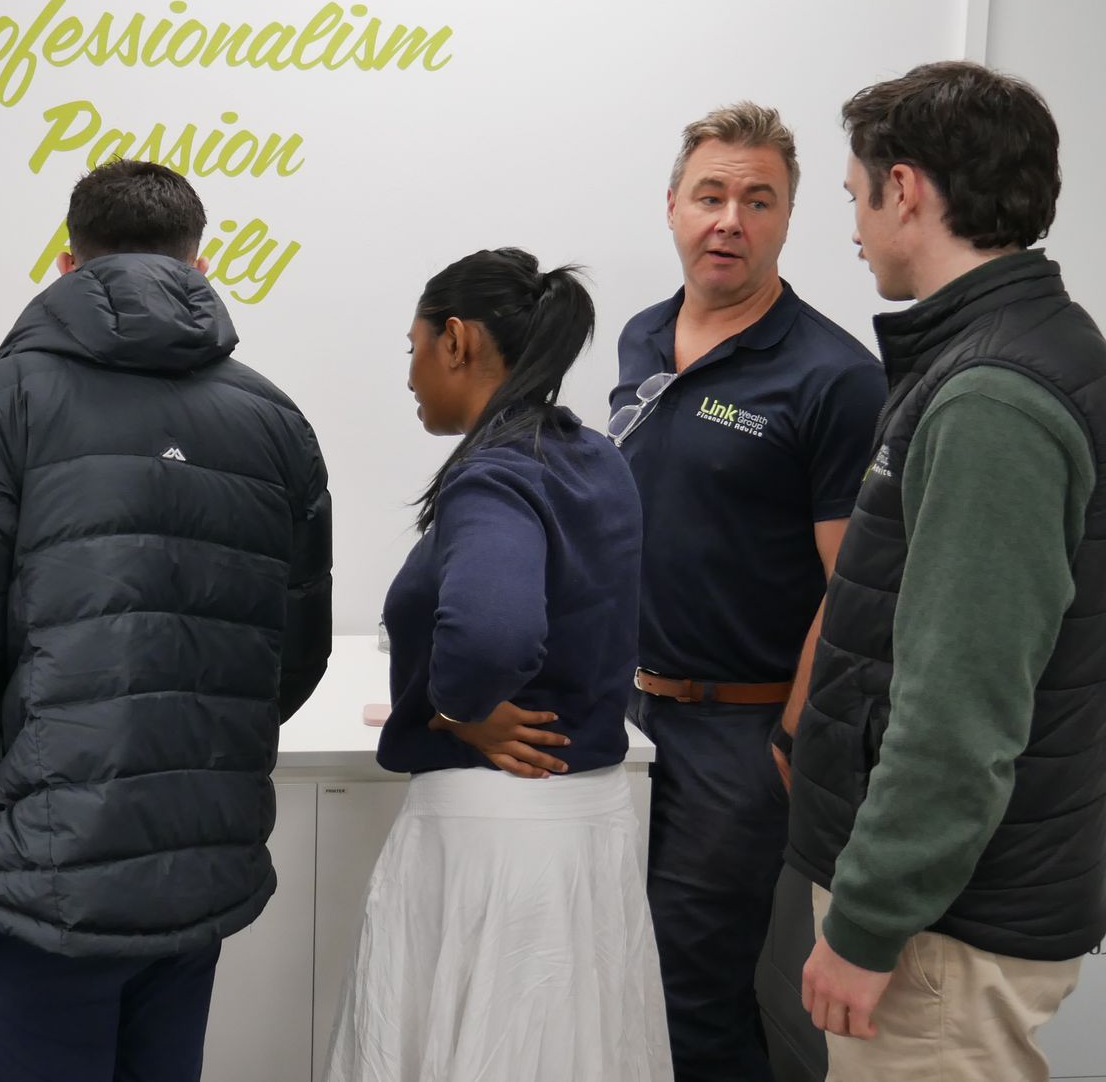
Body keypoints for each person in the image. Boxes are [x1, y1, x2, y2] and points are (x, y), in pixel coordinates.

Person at [0, 158, 333, 1082]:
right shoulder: (276, 423)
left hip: (27, 882)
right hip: (191, 878)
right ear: (199, 263)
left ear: (66, 260)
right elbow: (291, 658)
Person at [791, 62, 1106, 1080]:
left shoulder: (992, 398)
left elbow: (960, 705)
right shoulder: (1011, 351)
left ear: (906, 189)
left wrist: (868, 921)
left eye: (855, 195)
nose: (853, 226)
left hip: (941, 934)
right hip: (949, 911)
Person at [323, 247, 669, 1082]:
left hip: (494, 840)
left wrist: (454, 708)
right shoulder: (595, 457)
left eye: (413, 347)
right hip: (588, 828)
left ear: (457, 340)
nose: (409, 374)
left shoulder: (494, 475)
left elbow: (491, 635)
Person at [608, 103, 885, 1081]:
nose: (730, 219)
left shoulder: (835, 377)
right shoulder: (642, 338)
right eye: (711, 195)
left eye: (757, 200)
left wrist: (788, 741)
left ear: (787, 219)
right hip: (627, 720)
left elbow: (852, 587)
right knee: (621, 978)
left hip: (740, 735)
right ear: (672, 206)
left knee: (697, 997)